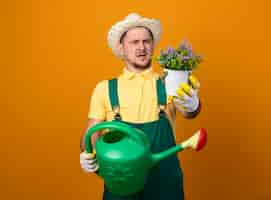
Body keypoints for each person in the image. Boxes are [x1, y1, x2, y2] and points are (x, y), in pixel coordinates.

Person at [80, 13, 201, 200]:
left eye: (146, 41)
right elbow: (91, 133)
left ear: (153, 46)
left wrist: (193, 104)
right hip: (122, 180)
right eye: (134, 42)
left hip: (164, 182)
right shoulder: (104, 88)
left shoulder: (168, 82)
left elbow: (190, 113)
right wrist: (87, 154)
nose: (141, 47)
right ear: (122, 48)